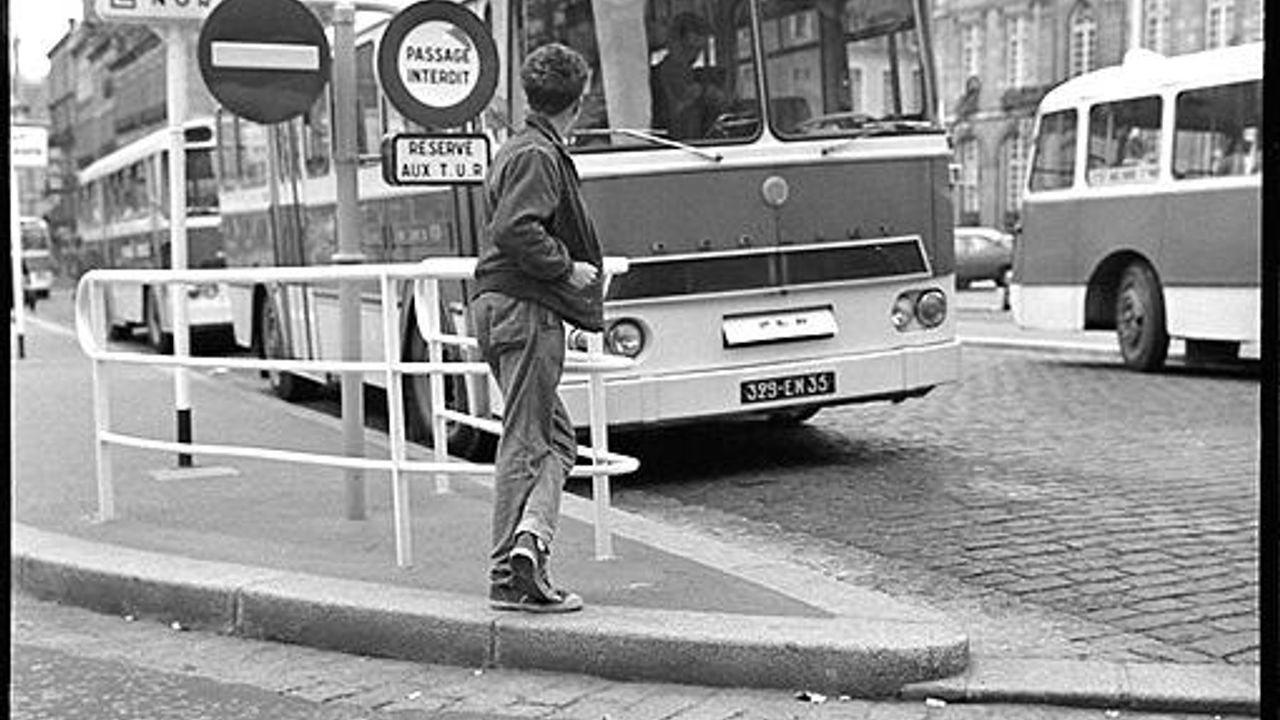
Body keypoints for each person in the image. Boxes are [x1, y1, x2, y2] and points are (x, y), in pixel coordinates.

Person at [470, 43, 604, 614]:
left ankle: (531, 543)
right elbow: (516, 229)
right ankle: (509, 577)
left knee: (558, 441)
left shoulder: (520, 148)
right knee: (527, 444)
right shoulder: (537, 155)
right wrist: (566, 267)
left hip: (506, 305)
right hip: (526, 309)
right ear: (580, 99)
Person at [650, 12, 725, 140]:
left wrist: (713, 102)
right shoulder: (655, 79)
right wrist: (687, 100)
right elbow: (658, 123)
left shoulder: (692, 74)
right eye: (689, 48)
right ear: (674, 42)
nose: (694, 56)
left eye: (698, 50)